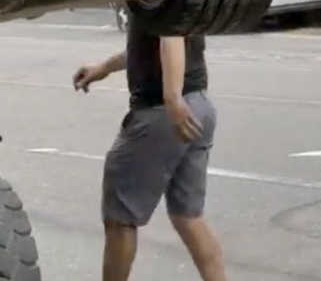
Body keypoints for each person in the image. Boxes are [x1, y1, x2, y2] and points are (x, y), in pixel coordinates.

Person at [73, 15, 227, 281]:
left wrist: (173, 100)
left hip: (162, 111)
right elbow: (149, 45)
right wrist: (105, 67)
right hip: (199, 104)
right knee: (187, 216)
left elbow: (171, 35)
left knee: (120, 218)